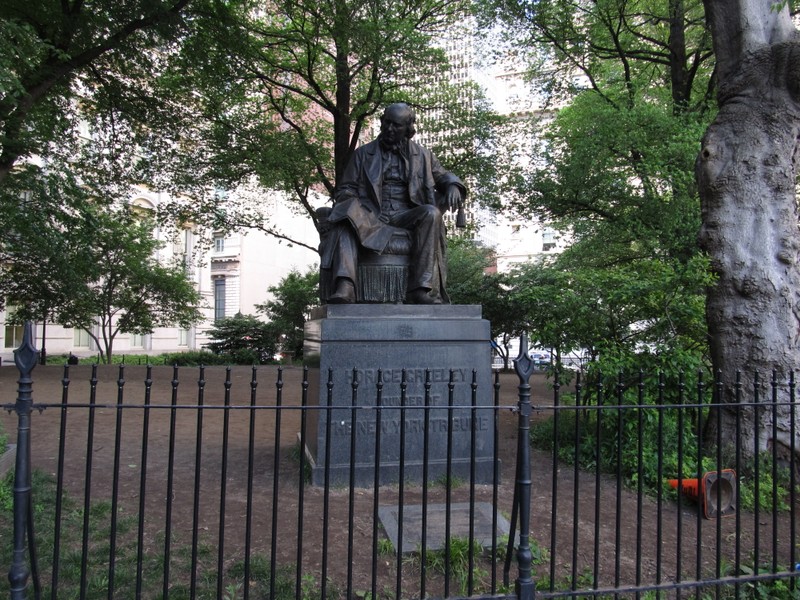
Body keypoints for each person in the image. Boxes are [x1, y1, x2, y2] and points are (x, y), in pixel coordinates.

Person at [321, 102, 467, 304]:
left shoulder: (423, 156)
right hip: (371, 215)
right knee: (346, 217)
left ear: (408, 129)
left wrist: (454, 185)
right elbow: (346, 189)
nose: (390, 129)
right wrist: (356, 208)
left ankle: (420, 289)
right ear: (381, 123)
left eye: (396, 126)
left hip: (405, 215)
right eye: (387, 123)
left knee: (431, 213)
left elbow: (443, 175)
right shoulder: (363, 154)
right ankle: (345, 285)